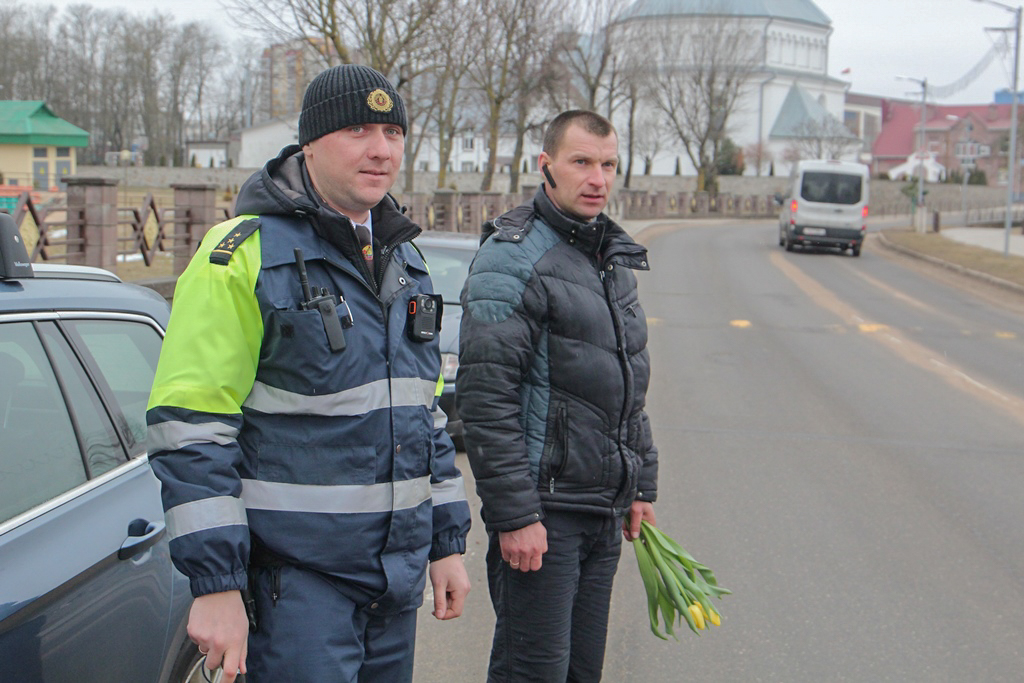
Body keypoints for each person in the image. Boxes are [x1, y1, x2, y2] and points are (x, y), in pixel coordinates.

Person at [146, 64, 471, 683]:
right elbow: (191, 428)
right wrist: (216, 585)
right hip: (295, 592)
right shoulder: (240, 256)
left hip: (391, 588)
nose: (381, 149)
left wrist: (446, 542)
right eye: (357, 129)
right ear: (310, 144)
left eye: (393, 132)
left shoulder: (405, 260)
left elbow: (423, 416)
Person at [456, 109, 658, 681]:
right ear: (546, 166)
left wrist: (640, 481)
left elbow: (626, 383)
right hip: (543, 517)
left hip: (599, 510)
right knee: (532, 672)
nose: (597, 178)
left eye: (608, 165)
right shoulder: (512, 255)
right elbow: (486, 396)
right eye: (582, 163)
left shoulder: (611, 259)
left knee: (579, 674)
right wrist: (516, 515)